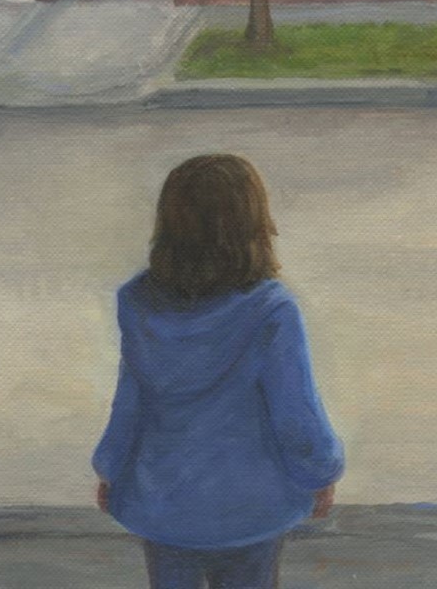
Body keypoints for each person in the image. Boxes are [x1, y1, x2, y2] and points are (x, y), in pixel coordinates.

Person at [92, 154, 344, 589]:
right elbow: (295, 415)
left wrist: (110, 467)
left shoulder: (137, 303)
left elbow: (130, 401)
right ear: (252, 225)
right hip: (251, 508)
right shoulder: (271, 310)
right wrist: (321, 472)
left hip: (164, 503)